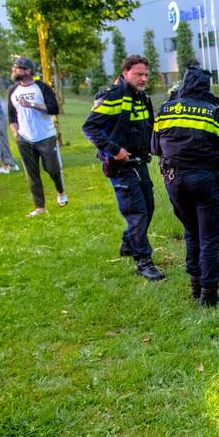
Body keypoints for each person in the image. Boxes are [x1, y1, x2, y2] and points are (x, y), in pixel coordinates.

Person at [152, 65, 219, 304]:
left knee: (191, 232)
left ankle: (195, 286)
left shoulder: (164, 110)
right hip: (205, 182)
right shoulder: (212, 112)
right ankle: (209, 294)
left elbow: (154, 148)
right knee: (209, 238)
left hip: (174, 180)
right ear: (205, 86)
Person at [82, 55, 164, 281]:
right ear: (126, 72)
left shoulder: (142, 98)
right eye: (139, 74)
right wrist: (114, 149)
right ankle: (143, 262)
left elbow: (148, 127)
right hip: (120, 166)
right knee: (137, 213)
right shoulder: (113, 96)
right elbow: (90, 127)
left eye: (146, 74)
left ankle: (129, 243)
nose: (144, 78)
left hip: (140, 162)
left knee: (148, 209)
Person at [8, 56, 66, 217]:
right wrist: (16, 133)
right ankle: (40, 207)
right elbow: (11, 116)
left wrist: (32, 105)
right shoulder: (13, 91)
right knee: (32, 174)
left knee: (52, 169)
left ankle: (60, 191)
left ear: (27, 71)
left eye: (17, 68)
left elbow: (54, 108)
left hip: (45, 135)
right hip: (25, 139)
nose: (13, 71)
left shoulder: (42, 87)